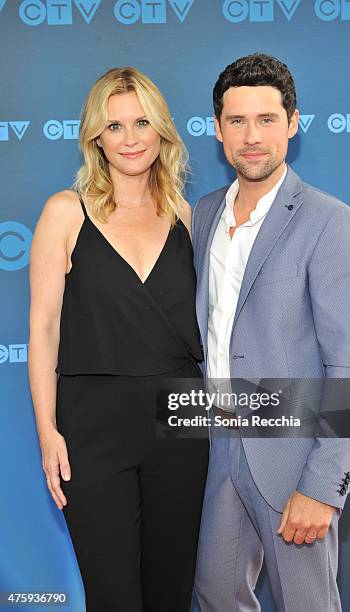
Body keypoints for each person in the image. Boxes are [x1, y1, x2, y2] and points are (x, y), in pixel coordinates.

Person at [193, 54, 350, 611]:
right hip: (214, 445)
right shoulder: (200, 216)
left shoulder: (330, 220)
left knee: (307, 604)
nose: (252, 137)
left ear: (292, 123)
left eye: (267, 119)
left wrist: (324, 484)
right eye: (238, 121)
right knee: (215, 593)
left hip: (295, 455)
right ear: (218, 128)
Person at [28, 66, 209, 612]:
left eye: (142, 123)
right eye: (114, 126)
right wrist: (48, 433)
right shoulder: (65, 212)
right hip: (92, 426)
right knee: (113, 596)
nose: (130, 138)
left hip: (181, 420)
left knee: (171, 592)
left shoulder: (188, 216)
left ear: (162, 131)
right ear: (95, 138)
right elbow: (42, 328)